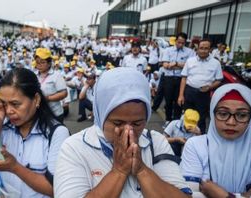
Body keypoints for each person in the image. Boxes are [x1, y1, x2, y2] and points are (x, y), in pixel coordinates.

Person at [54, 67, 191, 197]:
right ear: (101, 115)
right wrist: (118, 171)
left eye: (137, 123)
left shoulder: (156, 142)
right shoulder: (74, 148)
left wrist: (142, 170)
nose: (128, 131)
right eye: (118, 123)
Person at [0, 68, 70, 197]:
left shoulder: (57, 133)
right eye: (4, 104)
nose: (9, 111)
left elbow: (56, 189)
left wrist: (15, 167)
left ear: (36, 99)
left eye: (15, 104)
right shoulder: (3, 128)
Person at [180, 83, 251, 197]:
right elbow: (187, 194)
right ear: (212, 113)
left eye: (241, 115)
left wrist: (220, 195)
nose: (231, 122)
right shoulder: (196, 146)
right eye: (223, 113)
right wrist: (246, 195)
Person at [178, 39, 223, 133]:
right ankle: (185, 137)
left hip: (203, 94)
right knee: (187, 115)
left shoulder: (215, 63)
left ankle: (200, 138)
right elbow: (184, 78)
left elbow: (219, 80)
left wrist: (210, 87)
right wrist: (181, 95)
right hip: (189, 92)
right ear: (197, 49)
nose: (203, 50)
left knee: (201, 118)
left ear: (210, 50)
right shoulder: (190, 61)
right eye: (201, 48)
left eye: (206, 48)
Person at [161, 32, 194, 128]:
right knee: (168, 100)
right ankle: (168, 120)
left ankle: (175, 121)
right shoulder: (168, 50)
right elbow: (165, 65)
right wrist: (181, 65)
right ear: (175, 41)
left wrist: (175, 63)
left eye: (182, 43)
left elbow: (189, 66)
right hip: (169, 79)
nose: (180, 44)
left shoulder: (189, 52)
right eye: (179, 42)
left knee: (179, 101)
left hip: (181, 79)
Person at [35, 48, 68, 123]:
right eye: (37, 62)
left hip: (55, 113)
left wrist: (47, 98)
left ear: (49, 63)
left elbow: (64, 93)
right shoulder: (34, 75)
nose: (39, 65)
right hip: (40, 114)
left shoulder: (56, 75)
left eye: (42, 62)